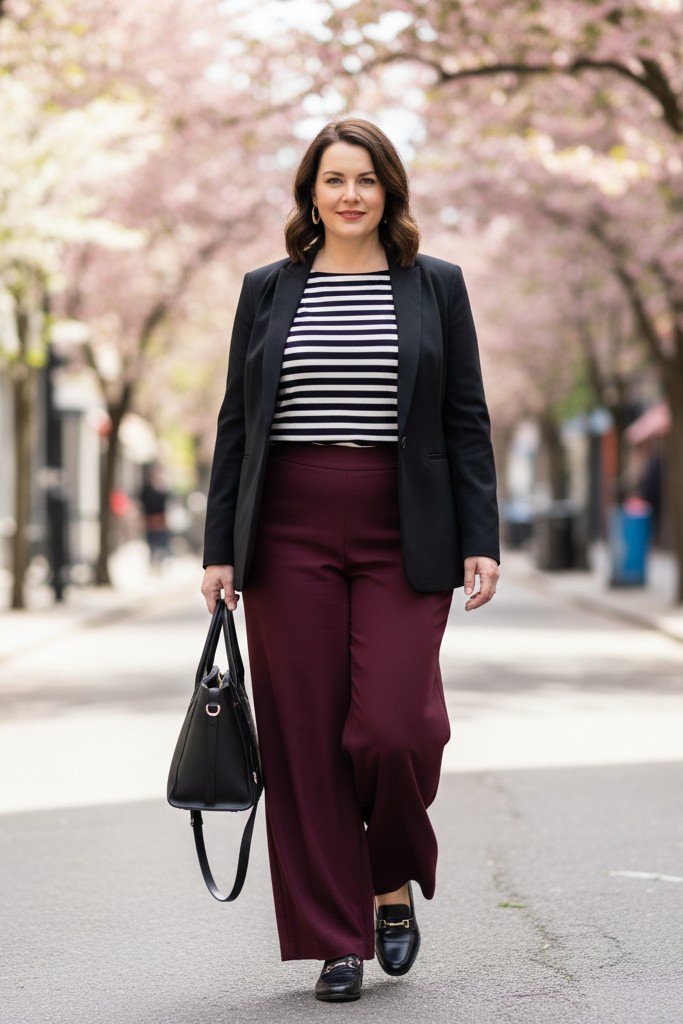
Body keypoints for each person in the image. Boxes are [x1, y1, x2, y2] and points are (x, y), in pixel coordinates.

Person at [201, 117, 500, 1002]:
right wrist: (221, 549)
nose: (350, 195)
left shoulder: (433, 286)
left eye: (366, 179)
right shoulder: (266, 290)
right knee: (304, 741)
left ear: (389, 192)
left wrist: (480, 536)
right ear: (310, 195)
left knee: (394, 728)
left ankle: (390, 876)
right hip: (286, 530)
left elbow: (465, 421)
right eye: (333, 180)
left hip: (402, 528)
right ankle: (337, 937)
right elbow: (235, 427)